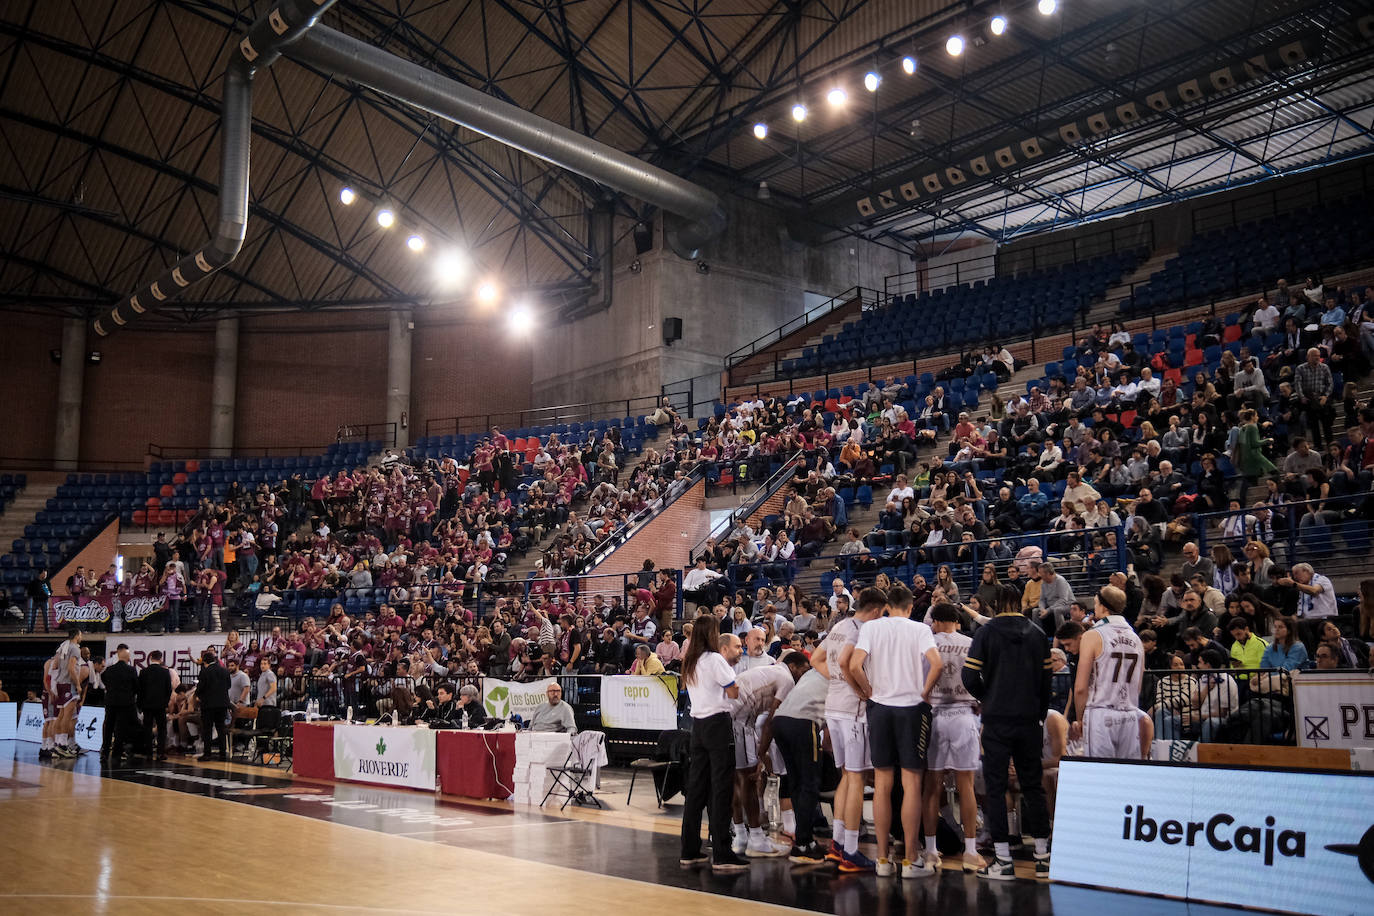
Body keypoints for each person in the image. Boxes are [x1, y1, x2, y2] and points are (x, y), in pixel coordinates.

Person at [848, 583, 942, 879]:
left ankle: (883, 861)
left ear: (887, 606)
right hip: (911, 708)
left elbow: (853, 665)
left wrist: (868, 691)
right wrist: (925, 692)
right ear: (912, 606)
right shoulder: (919, 630)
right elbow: (936, 664)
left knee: (883, 784)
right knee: (912, 783)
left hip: (880, 708)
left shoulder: (872, 628)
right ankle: (912, 859)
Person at [963, 584, 1052, 881]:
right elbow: (1046, 682)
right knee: (1033, 786)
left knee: (997, 787)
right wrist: (1039, 715)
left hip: (998, 719)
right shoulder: (1039, 634)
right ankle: (1043, 856)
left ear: (998, 603)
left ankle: (1003, 859)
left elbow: (969, 675)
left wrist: (986, 697)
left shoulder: (986, 633)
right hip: (1029, 719)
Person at [809, 583, 883, 873]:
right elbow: (848, 663)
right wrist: (864, 690)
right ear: (876, 611)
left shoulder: (839, 625)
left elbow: (816, 659)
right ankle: (850, 850)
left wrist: (839, 680)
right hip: (852, 710)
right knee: (856, 779)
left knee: (845, 778)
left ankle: (838, 844)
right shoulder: (861, 630)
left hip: (833, 707)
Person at [679, 613, 749, 874]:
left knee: (696, 789)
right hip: (718, 724)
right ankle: (721, 851)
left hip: (697, 727)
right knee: (721, 788)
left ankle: (689, 849)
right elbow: (733, 690)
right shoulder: (715, 659)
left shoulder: (691, 661)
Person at [922, 604, 984, 871]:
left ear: (935, 621)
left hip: (935, 713)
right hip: (963, 712)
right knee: (965, 785)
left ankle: (931, 850)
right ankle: (970, 851)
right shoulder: (971, 643)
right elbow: (982, 679)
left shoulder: (927, 642)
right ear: (957, 620)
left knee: (932, 786)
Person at [726, 633, 796, 859]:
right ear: (794, 667)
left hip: (726, 719)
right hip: (741, 722)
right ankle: (756, 837)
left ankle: (740, 835)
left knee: (735, 781)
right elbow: (770, 723)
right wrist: (761, 754)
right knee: (748, 780)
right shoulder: (787, 679)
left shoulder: (769, 671)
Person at [1072, 585, 1144, 759]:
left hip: (1100, 713)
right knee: (1126, 778)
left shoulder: (1093, 635)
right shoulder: (1136, 638)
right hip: (1129, 714)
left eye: (1096, 603)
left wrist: (1080, 719)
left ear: (1103, 607)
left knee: (1102, 777)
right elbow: (1138, 686)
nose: (1094, 608)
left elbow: (1081, 687)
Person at [770, 653, 828, 864]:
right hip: (804, 722)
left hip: (781, 721)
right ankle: (803, 843)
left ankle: (802, 840)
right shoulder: (839, 673)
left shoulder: (811, 674)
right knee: (810, 783)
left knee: (796, 783)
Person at [100, 644, 139, 765]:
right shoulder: (131, 670)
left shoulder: (110, 670)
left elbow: (103, 678)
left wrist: (111, 689)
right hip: (125, 703)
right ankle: (116, 754)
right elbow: (136, 687)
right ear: (127, 658)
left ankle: (105, 753)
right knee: (120, 730)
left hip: (111, 702)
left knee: (108, 728)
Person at [50, 626, 84, 758]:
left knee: (60, 716)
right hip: (69, 684)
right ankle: (63, 745)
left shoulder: (63, 645)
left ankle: (57, 744)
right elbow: (71, 668)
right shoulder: (75, 648)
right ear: (77, 635)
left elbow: (55, 665)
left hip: (60, 683)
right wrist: (78, 684)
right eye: (81, 635)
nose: (81, 637)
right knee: (67, 717)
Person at [195, 649, 231, 761]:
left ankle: (207, 754)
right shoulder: (224, 671)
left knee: (207, 729)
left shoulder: (204, 671)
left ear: (205, 662)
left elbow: (200, 688)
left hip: (208, 705)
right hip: (222, 704)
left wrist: (198, 695)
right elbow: (228, 686)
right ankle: (222, 754)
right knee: (221, 728)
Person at [137, 650, 173, 760]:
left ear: (151, 657)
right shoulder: (165, 672)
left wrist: (140, 704)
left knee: (147, 728)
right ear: (161, 659)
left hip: (147, 705)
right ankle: (160, 753)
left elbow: (140, 690)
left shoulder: (143, 672)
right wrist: (165, 702)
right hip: (160, 706)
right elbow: (169, 690)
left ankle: (148, 753)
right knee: (162, 729)